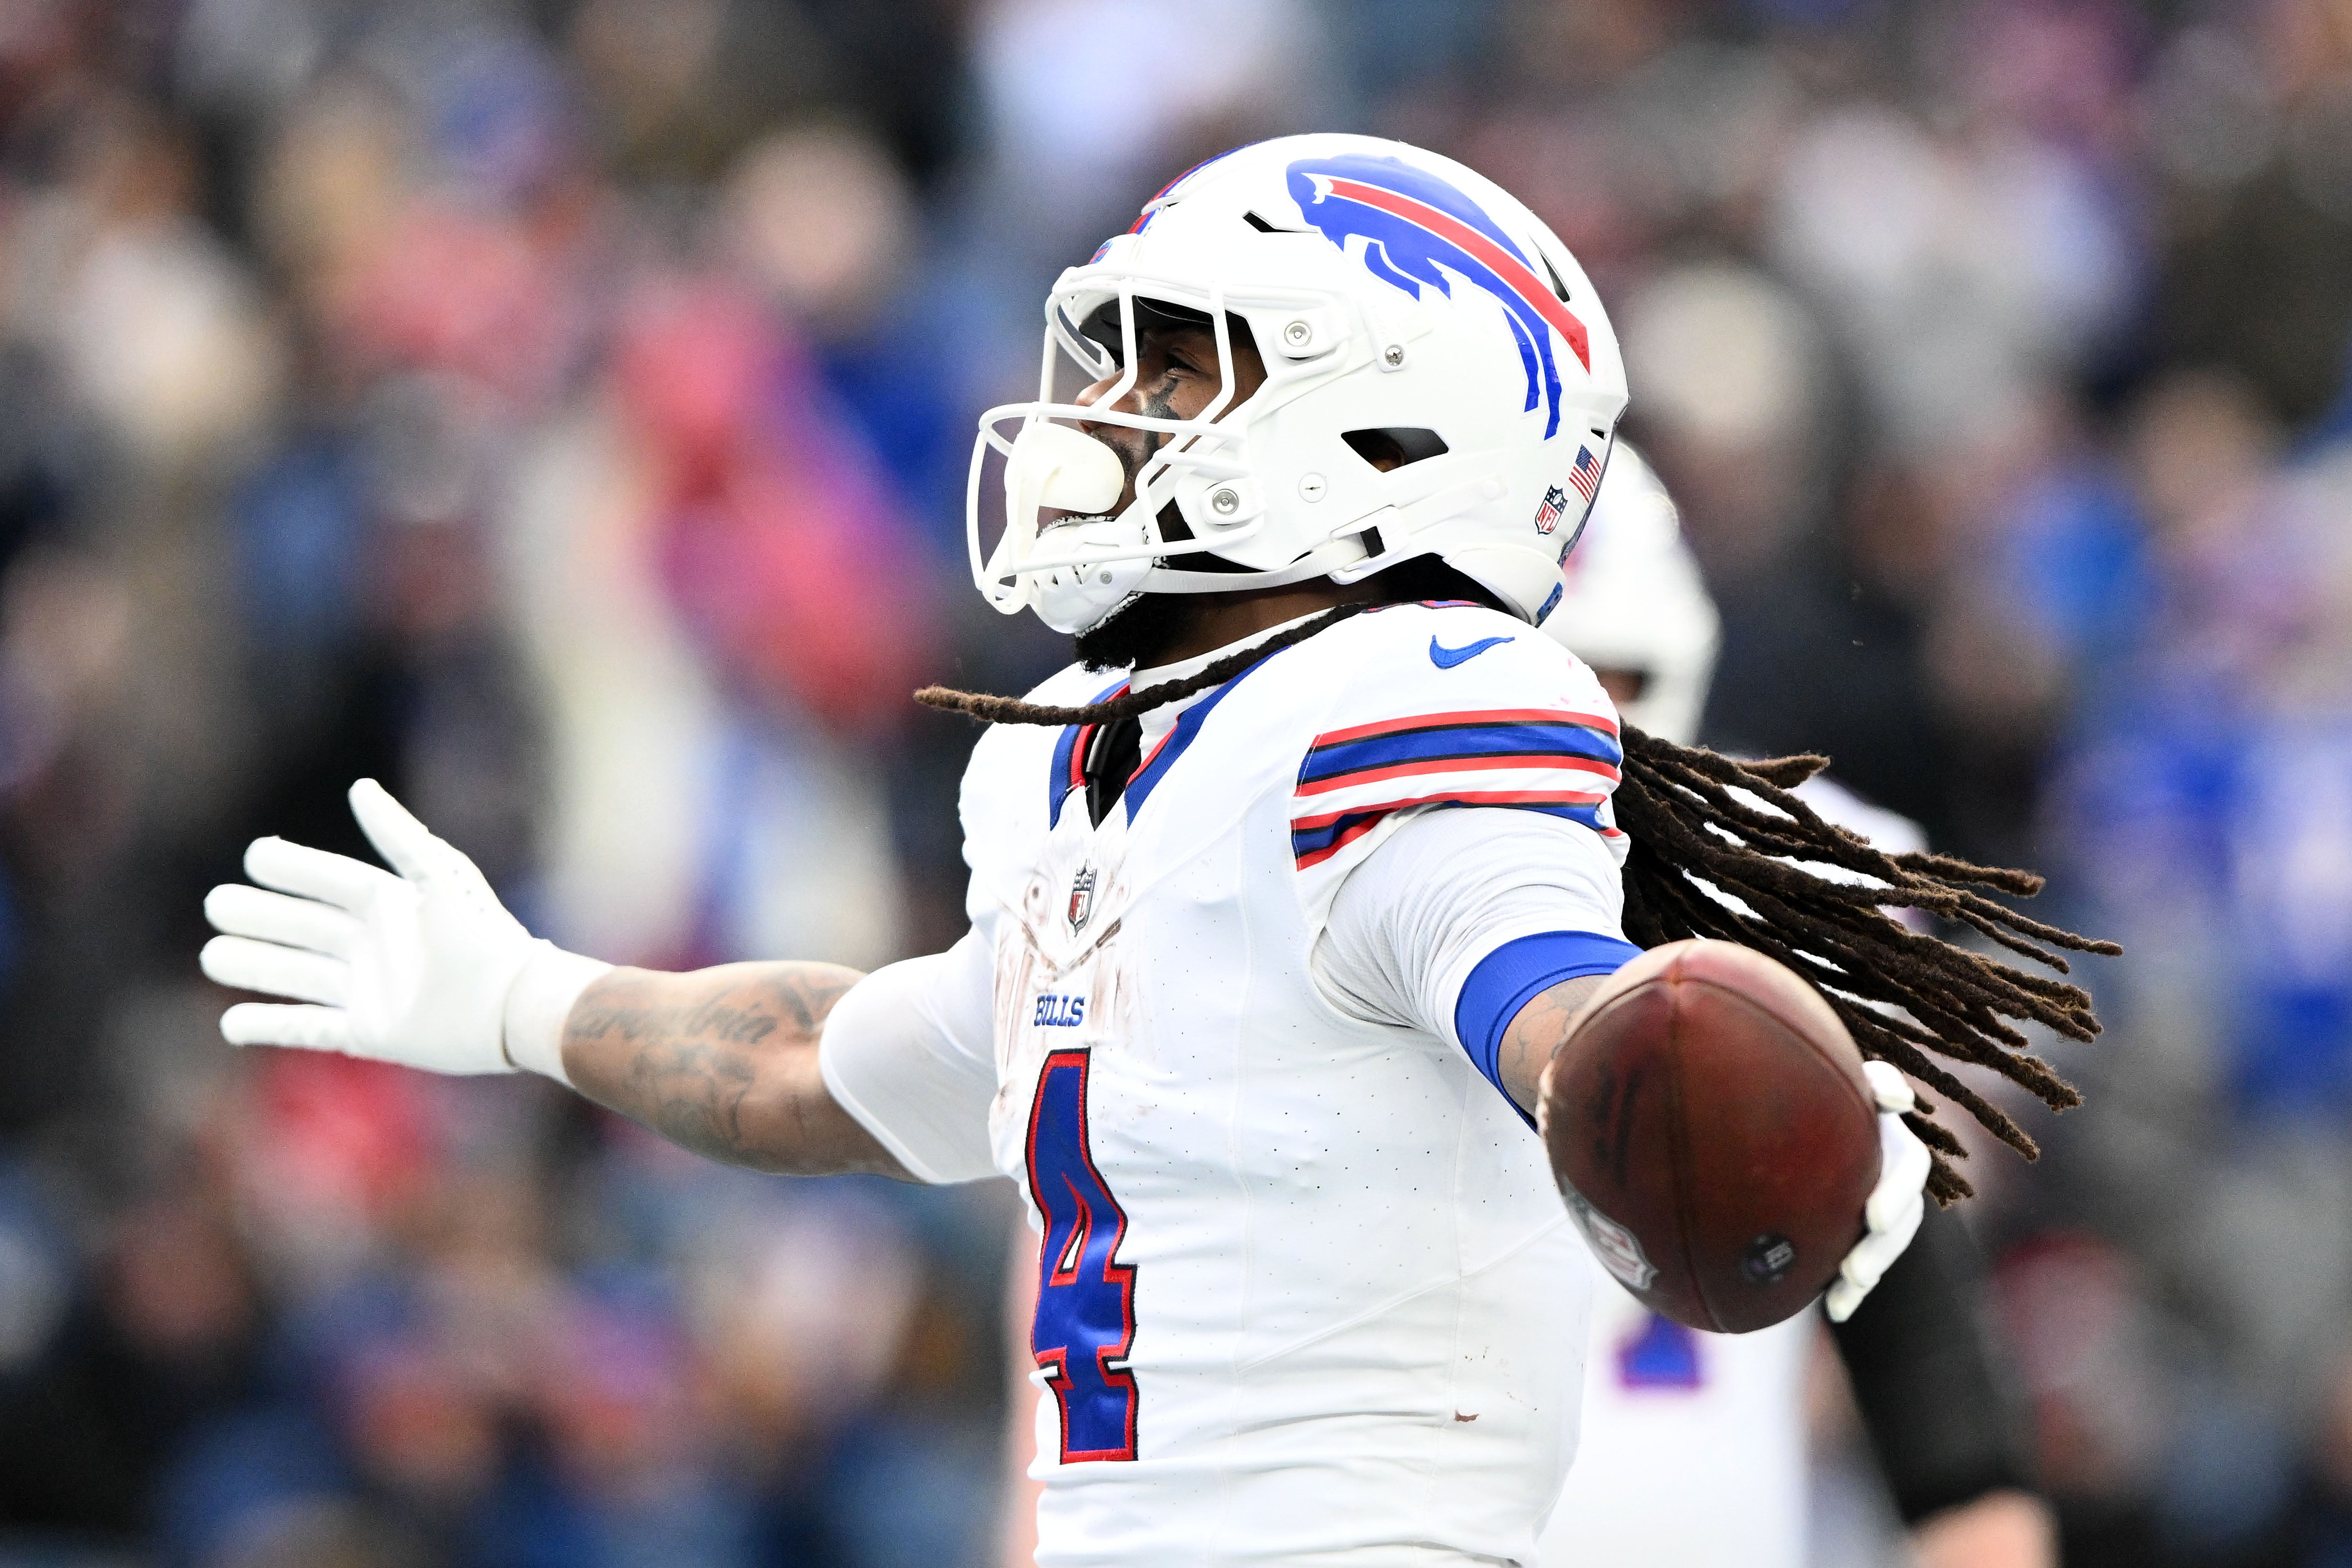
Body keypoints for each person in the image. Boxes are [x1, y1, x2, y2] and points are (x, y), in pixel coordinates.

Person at [200, 135, 2109, 1566]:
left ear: (1384, 425)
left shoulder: (1406, 696)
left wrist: (1658, 1067)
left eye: (1180, 366)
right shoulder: (1093, 765)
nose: (1109, 413)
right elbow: (842, 1061)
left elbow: (1524, 971)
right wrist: (525, 997)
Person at [1536, 447, 2056, 1568]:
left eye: (1603, 674)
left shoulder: (1789, 875)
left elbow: (1910, 1302)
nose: (1574, 717)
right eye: (1537, 673)